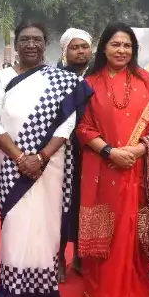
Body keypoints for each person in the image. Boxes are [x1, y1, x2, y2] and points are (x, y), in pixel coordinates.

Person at [0, 22, 92, 297]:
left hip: (50, 164)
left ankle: (44, 292)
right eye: (25, 39)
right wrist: (21, 158)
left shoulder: (61, 80)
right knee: (15, 224)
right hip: (10, 164)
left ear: (47, 44)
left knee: (45, 224)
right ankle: (12, 292)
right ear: (17, 44)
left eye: (37, 39)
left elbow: (68, 122)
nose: (30, 44)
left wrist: (41, 157)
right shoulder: (3, 78)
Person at [76, 23, 149, 297]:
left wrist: (141, 149)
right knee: (106, 227)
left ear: (134, 50)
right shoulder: (89, 83)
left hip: (137, 169)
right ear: (104, 48)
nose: (121, 50)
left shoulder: (146, 81)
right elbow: (82, 127)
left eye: (127, 45)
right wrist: (110, 151)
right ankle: (101, 291)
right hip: (102, 169)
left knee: (132, 227)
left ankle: (133, 294)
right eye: (115, 44)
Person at [55, 28, 92, 282]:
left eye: (84, 47)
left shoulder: (98, 78)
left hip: (92, 151)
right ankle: (58, 258)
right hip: (63, 151)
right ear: (65, 51)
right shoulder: (55, 79)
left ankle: (82, 256)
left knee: (85, 202)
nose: (80, 51)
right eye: (74, 47)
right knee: (61, 206)